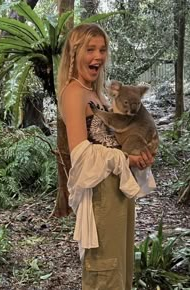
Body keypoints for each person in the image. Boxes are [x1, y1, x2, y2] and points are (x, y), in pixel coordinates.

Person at [57, 23, 154, 290]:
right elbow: (81, 154)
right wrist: (126, 160)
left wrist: (138, 156)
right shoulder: (73, 93)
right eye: (90, 49)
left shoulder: (96, 95)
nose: (98, 56)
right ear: (75, 53)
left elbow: (114, 144)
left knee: (120, 269)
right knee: (105, 273)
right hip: (101, 194)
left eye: (102, 49)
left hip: (118, 190)